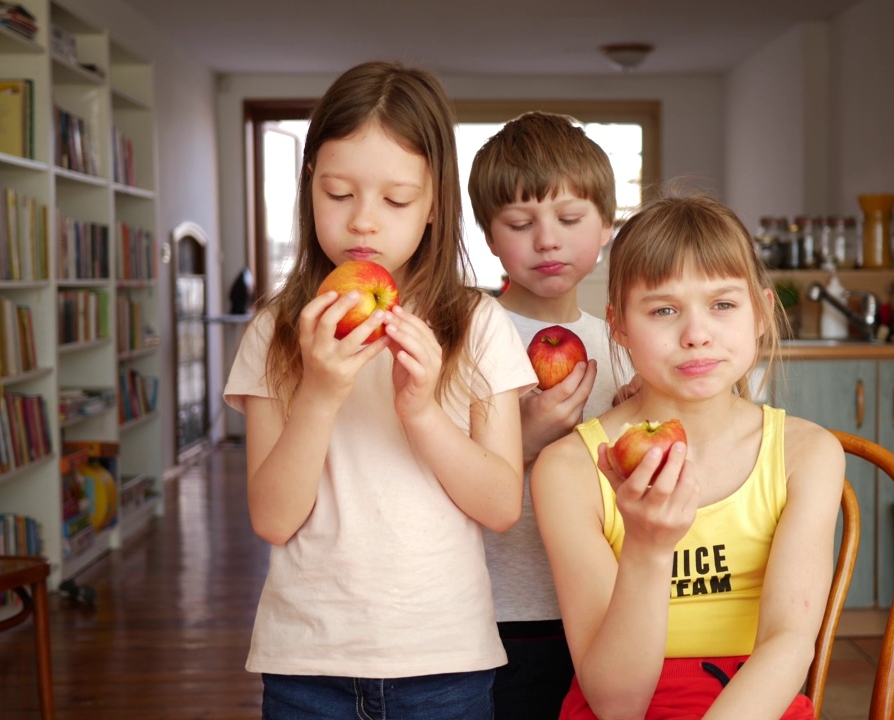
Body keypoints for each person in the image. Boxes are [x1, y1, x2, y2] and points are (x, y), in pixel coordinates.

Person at [223, 61, 537, 720]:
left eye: (395, 201)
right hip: (306, 662)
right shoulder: (277, 331)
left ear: (433, 206)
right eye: (339, 194)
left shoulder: (476, 326)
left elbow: (502, 504)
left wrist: (421, 412)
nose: (364, 224)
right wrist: (319, 391)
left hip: (446, 660)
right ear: (309, 188)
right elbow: (273, 519)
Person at [531, 193, 845, 720]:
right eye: (663, 310)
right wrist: (649, 550)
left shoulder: (807, 455)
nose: (697, 335)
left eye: (723, 305)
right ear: (619, 326)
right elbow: (615, 702)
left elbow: (789, 643)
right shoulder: (570, 469)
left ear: (762, 313)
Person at [467, 111, 629, 719]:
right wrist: (525, 440)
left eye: (569, 219)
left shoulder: (624, 344)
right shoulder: (467, 338)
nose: (548, 241)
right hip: (498, 612)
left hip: (605, 609)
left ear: (607, 225)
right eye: (519, 223)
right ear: (488, 235)